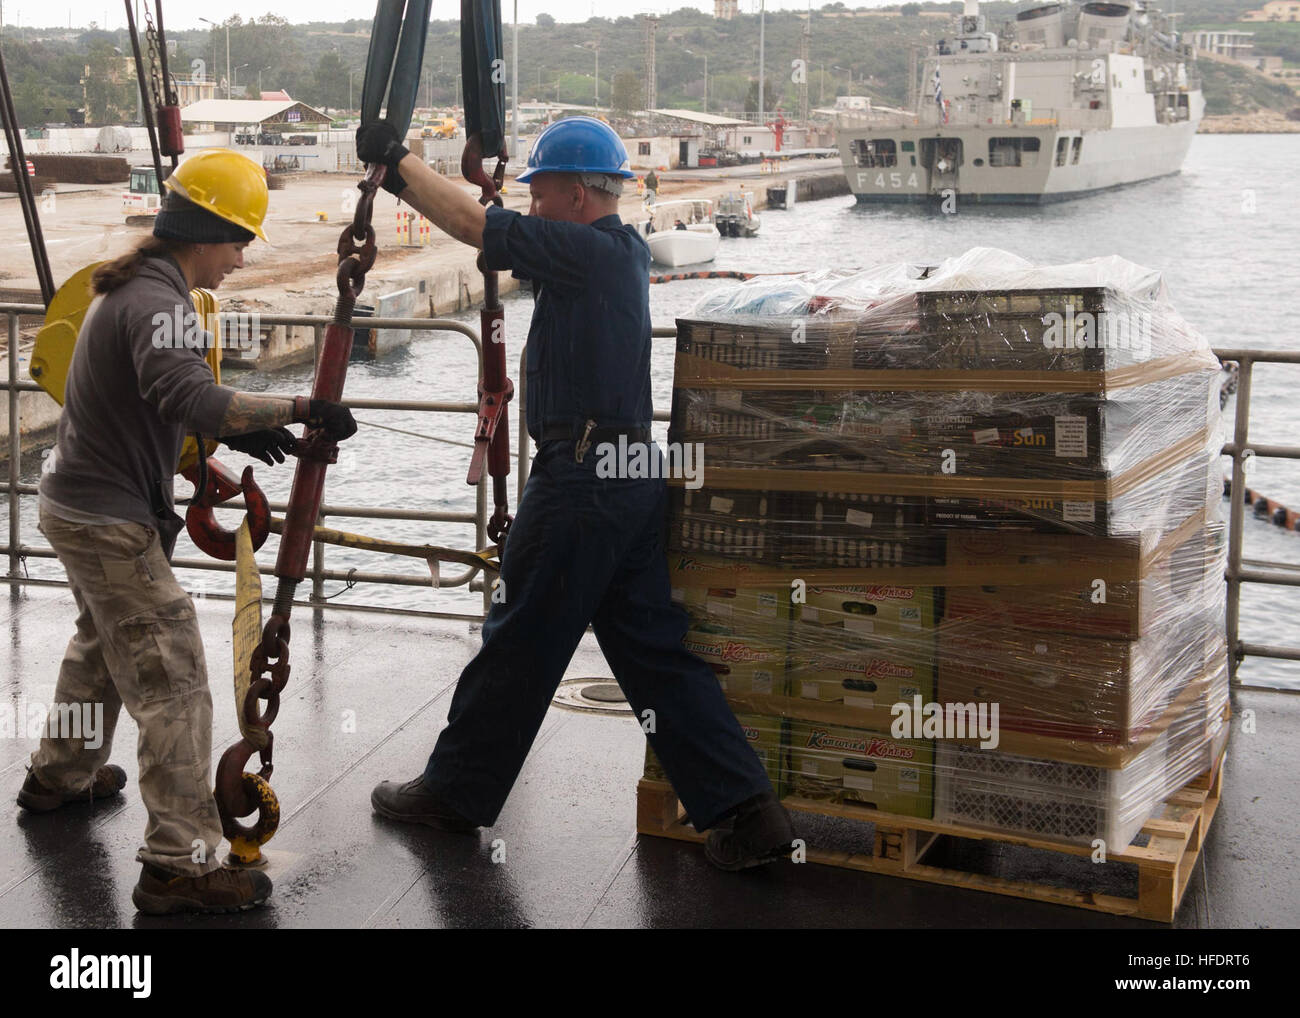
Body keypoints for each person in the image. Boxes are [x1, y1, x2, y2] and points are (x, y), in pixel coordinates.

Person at [356, 115, 795, 871]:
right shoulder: (610, 255)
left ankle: (455, 794)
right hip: (627, 478)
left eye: (542, 189)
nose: (532, 203)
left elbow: (474, 223)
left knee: (518, 638)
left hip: (584, 480)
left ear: (578, 194)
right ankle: (747, 814)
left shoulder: (587, 252)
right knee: (654, 652)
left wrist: (397, 166)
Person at [16, 148, 358, 914]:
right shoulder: (157, 301)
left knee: (104, 645)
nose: (240, 259)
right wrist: (298, 409)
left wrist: (232, 436)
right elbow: (184, 391)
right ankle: (180, 863)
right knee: (173, 682)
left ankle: (58, 777)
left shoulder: (141, 286)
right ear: (207, 231)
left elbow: (159, 401)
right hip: (106, 522)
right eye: (240, 241)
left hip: (77, 504)